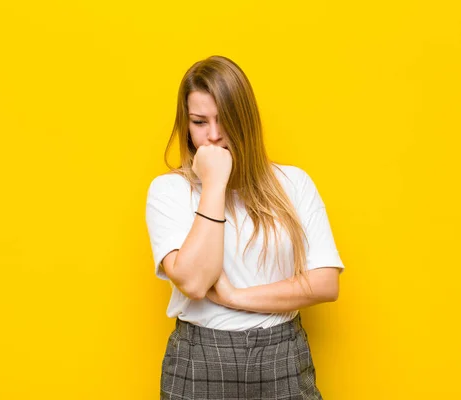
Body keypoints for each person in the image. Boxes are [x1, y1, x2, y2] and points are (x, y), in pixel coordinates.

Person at [145, 55, 345, 400]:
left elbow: (325, 283)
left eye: (225, 120)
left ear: (246, 119)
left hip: (281, 355)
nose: (214, 135)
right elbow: (194, 281)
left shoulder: (293, 184)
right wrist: (214, 184)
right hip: (200, 359)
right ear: (186, 125)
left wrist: (236, 297)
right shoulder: (169, 191)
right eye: (199, 122)